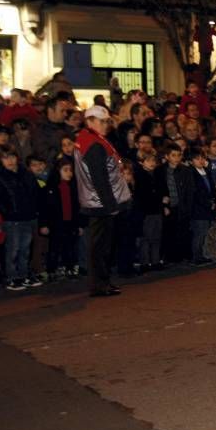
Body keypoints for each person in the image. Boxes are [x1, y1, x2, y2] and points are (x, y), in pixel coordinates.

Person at [73, 105, 132, 297]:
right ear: (89, 121)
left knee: (101, 245)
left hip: (97, 201)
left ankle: (102, 282)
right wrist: (110, 205)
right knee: (100, 247)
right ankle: (99, 284)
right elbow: (99, 178)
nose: (105, 124)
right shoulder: (93, 144)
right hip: (101, 203)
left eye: (107, 121)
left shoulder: (88, 139)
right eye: (101, 121)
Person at [0, 147, 41, 290]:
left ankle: (23, 275)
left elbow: (35, 193)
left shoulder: (26, 174)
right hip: (12, 219)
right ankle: (11, 277)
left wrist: (34, 210)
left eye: (12, 157)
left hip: (28, 216)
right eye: (5, 158)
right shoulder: (1, 176)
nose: (10, 161)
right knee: (13, 249)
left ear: (17, 158)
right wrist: (7, 212)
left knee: (25, 249)